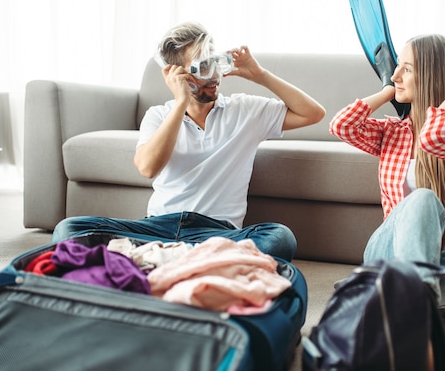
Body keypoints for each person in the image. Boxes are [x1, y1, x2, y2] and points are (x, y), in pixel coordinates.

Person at [52, 22, 326, 261]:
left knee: (280, 238)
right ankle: (192, 261)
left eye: (215, 62)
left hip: (217, 233)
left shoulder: (245, 110)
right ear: (175, 74)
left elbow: (313, 113)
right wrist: (181, 102)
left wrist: (260, 75)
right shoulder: (159, 115)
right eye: (202, 67)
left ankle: (163, 260)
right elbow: (147, 167)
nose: (214, 76)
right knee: (68, 230)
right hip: (157, 228)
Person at [330, 34, 445, 322]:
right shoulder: (391, 132)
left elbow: (434, 138)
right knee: (422, 199)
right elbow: (341, 126)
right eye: (396, 67)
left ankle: (396, 295)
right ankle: (414, 296)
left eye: (406, 69)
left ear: (430, 76)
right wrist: (388, 89)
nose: (396, 74)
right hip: (392, 253)